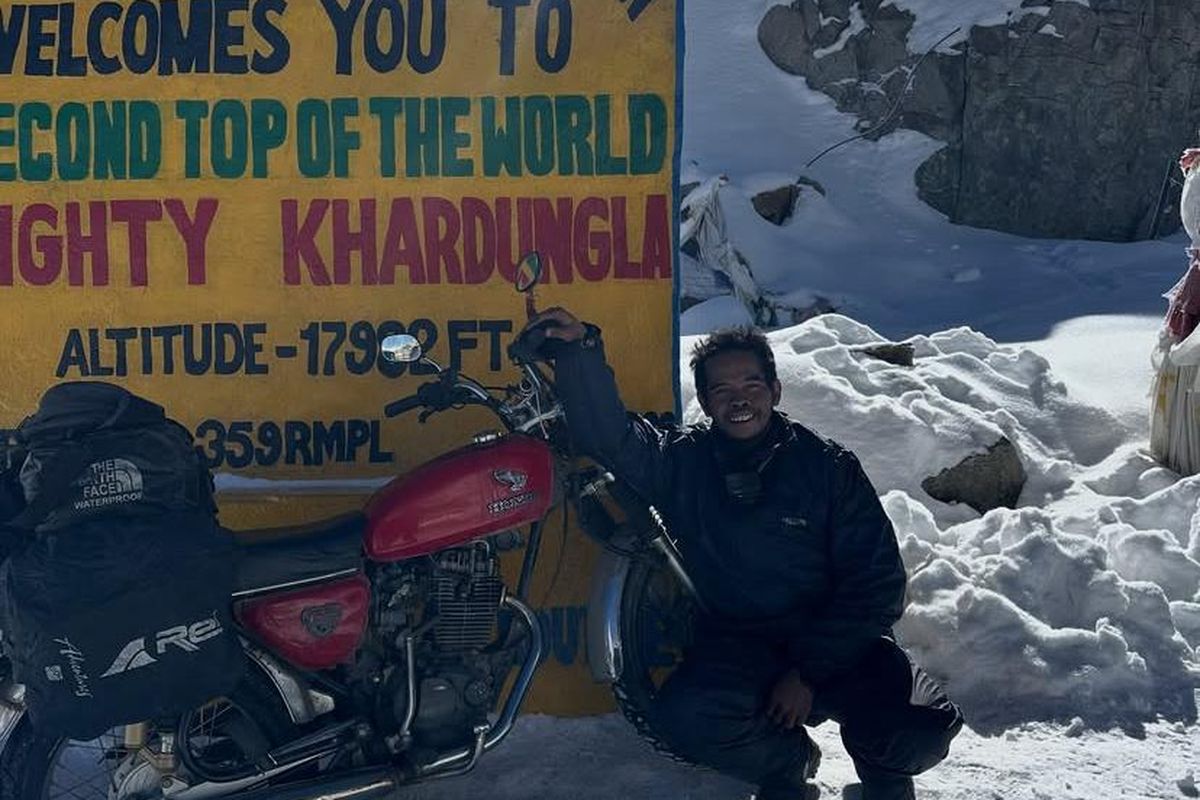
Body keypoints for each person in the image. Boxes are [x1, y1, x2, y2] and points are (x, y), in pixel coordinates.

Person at [525, 309, 963, 800]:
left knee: (922, 727)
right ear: (707, 402)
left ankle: (884, 775)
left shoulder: (828, 467)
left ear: (775, 392)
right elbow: (612, 439)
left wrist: (808, 673)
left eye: (752, 385)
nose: (740, 400)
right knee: (687, 717)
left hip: (837, 646)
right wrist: (580, 350)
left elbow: (878, 584)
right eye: (722, 391)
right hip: (741, 650)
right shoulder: (682, 462)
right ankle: (786, 764)